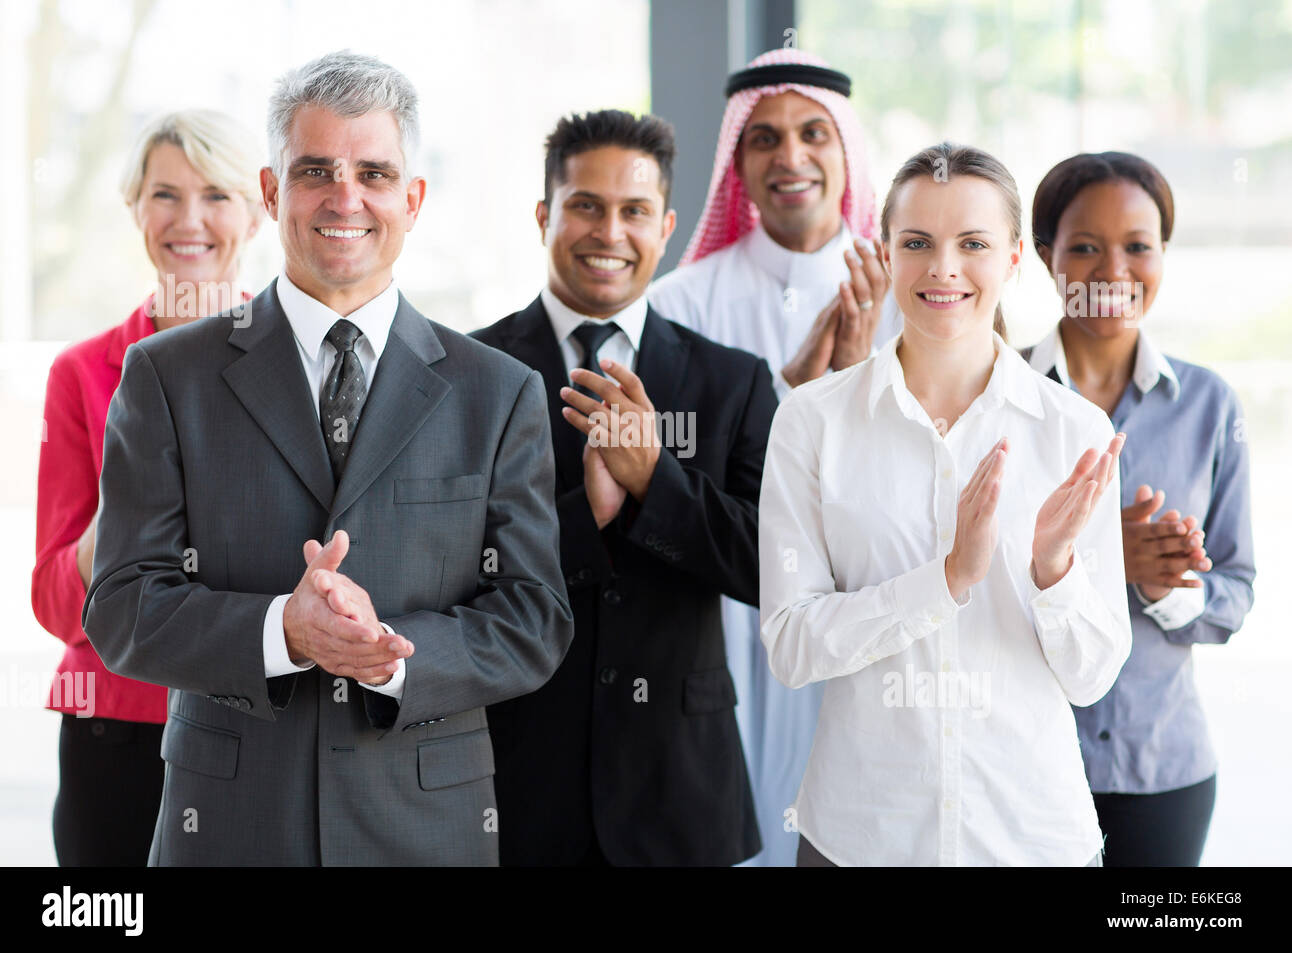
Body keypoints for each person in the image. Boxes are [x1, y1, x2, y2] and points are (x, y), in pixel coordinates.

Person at [82, 51, 572, 866]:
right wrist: (284, 630)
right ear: (273, 193)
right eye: (316, 171)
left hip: (425, 832)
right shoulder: (168, 377)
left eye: (374, 173)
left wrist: (390, 657)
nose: (346, 198)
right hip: (232, 828)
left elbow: (534, 618)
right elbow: (123, 606)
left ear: (413, 200)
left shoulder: (498, 391)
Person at [758, 142, 1133, 866]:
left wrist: (1054, 568)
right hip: (861, 840)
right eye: (917, 243)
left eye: (974, 244)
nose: (943, 268)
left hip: (1032, 841)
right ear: (885, 253)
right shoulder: (811, 422)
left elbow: (1091, 679)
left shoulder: (1075, 432)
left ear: (1015, 257)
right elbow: (792, 646)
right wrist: (946, 580)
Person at [473, 110, 776, 866]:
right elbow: (449, 568)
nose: (610, 232)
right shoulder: (469, 373)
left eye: (634, 210)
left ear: (665, 227)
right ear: (544, 216)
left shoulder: (733, 381)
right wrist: (588, 519)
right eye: (586, 205)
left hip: (682, 793)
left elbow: (772, 564)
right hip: (516, 786)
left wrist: (654, 483)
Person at [647, 47, 901, 867]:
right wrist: (788, 398)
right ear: (738, 163)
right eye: (764, 138)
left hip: (859, 606)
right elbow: (663, 477)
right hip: (721, 615)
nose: (791, 156)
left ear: (845, 151)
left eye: (812, 134)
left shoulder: (909, 296)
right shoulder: (678, 303)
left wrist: (854, 391)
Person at [32, 109, 263, 866]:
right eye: (165, 194)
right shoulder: (81, 375)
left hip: (256, 727)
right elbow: (56, 604)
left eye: (217, 195)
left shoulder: (298, 367)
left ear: (258, 211)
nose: (188, 220)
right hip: (116, 736)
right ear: (135, 208)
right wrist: (131, 494)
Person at [1024, 152, 1256, 866]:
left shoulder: (1209, 405)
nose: (1112, 271)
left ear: (1163, 254)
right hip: (1023, 768)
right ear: (1045, 255)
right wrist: (1094, 559)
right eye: (1084, 248)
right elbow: (956, 584)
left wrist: (1164, 588)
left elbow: (1234, 593)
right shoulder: (999, 398)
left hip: (1164, 774)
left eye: (1137, 246)